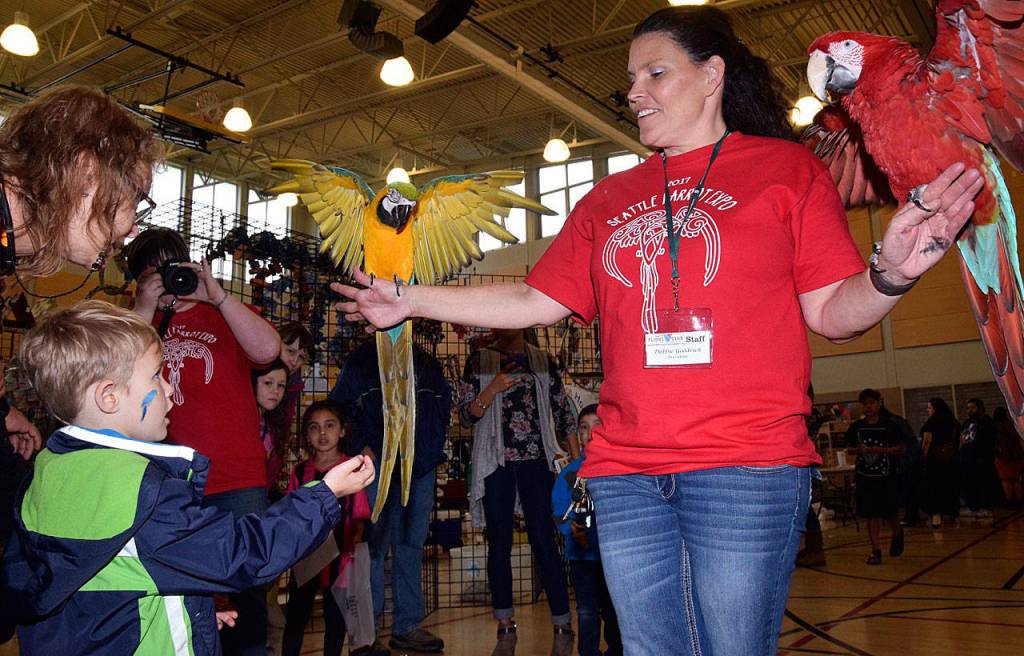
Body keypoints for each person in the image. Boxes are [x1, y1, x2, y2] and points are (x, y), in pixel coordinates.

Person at [330, 6, 982, 653]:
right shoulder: (607, 198)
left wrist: (890, 274)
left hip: (745, 466)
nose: (634, 92)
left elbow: (832, 313)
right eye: (632, 78)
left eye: (655, 73)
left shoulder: (786, 171)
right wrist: (407, 299)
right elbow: (533, 299)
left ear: (711, 75)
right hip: (627, 473)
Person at [0, 300, 375, 655]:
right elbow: (243, 553)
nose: (170, 390)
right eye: (156, 377)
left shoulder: (48, 471)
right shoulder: (142, 493)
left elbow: (92, 586)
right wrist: (325, 493)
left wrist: (185, 605)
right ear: (109, 397)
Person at [125, 227, 282, 655]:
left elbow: (268, 351)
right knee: (178, 588)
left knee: (247, 583)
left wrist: (218, 296)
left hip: (235, 474)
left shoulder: (223, 311)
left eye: (173, 268)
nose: (169, 279)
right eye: (154, 273)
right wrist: (144, 305)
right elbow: (115, 369)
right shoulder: (140, 323)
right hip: (166, 480)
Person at [457, 328, 576, 656]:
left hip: (536, 461)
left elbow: (563, 412)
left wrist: (578, 464)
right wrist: (490, 390)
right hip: (495, 463)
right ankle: (505, 627)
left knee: (544, 542)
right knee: (499, 543)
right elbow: (466, 415)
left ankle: (563, 626)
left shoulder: (543, 361)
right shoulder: (479, 360)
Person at [330, 338, 452, 654]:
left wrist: (429, 451)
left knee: (411, 545)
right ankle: (364, 636)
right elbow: (338, 407)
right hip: (375, 467)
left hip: (419, 467)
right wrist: (360, 445)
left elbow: (443, 406)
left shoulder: (425, 362)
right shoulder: (360, 360)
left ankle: (407, 626)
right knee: (369, 548)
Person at [282, 401, 371, 656]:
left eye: (329, 426)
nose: (322, 434)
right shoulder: (300, 472)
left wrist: (351, 557)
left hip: (340, 560)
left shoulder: (352, 470)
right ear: (307, 435)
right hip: (306, 559)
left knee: (336, 619)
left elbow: (360, 517)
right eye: (314, 428)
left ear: (342, 431)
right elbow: (291, 513)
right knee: (297, 617)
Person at [551, 405, 622, 656]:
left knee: (614, 607)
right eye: (584, 427)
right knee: (586, 609)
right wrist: (570, 528)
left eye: (597, 424)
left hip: (612, 555)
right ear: (578, 435)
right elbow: (559, 507)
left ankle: (617, 649)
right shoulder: (571, 473)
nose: (590, 432)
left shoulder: (617, 469)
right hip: (581, 557)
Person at [845, 389, 906, 565]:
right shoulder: (857, 427)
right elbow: (849, 449)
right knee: (871, 514)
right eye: (865, 404)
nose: (868, 407)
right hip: (866, 477)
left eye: (871, 403)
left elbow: (901, 448)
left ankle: (897, 533)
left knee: (890, 512)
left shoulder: (890, 426)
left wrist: (879, 450)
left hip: (886, 477)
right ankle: (876, 550)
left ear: (879, 404)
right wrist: (859, 450)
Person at [253, 359, 291, 500]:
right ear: (253, 382)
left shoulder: (271, 426)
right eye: (268, 383)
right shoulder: (246, 420)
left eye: (281, 385)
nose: (275, 391)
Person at [920, 398, 961, 528]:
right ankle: (952, 513)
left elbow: (927, 441)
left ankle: (936, 516)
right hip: (951, 460)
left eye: (929, 408)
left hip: (934, 460)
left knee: (933, 487)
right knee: (950, 486)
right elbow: (961, 440)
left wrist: (922, 458)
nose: (928, 410)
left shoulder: (931, 422)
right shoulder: (953, 422)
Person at [960, 398, 999, 517]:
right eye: (968, 408)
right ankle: (973, 507)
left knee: (983, 484)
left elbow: (989, 441)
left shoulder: (986, 422)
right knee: (970, 484)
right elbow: (963, 439)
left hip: (981, 459)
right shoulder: (967, 423)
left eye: (972, 407)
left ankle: (986, 506)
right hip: (967, 459)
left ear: (980, 408)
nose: (970, 410)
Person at [994, 406, 1024, 506]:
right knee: (1016, 478)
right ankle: (1019, 500)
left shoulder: (996, 426)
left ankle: (1009, 500)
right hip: (1016, 454)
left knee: (1006, 479)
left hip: (1003, 455)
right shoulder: (1012, 424)